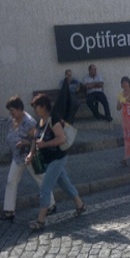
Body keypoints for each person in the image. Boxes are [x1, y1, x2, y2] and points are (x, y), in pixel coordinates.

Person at [26, 94, 85, 231]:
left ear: (44, 106)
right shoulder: (39, 122)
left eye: (36, 106)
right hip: (49, 160)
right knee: (65, 183)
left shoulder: (54, 120)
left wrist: (45, 144)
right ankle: (80, 205)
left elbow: (62, 139)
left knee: (45, 187)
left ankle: (40, 221)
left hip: (58, 158)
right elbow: (35, 141)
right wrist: (30, 154)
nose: (35, 109)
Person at [0, 96, 56, 221]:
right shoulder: (12, 120)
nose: (11, 113)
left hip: (30, 156)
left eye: (13, 110)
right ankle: (9, 211)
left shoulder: (28, 122)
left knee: (41, 180)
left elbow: (36, 139)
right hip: (17, 157)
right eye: (10, 111)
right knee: (11, 181)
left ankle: (51, 205)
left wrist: (25, 143)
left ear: (20, 109)